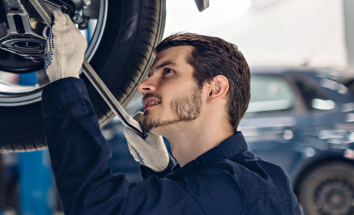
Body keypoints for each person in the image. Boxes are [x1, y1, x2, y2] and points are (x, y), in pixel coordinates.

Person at [41, 11, 301, 214]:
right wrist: (162, 170)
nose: (144, 85)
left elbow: (97, 207)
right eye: (151, 74)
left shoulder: (236, 185)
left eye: (168, 71)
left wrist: (65, 82)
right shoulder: (256, 179)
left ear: (215, 89)